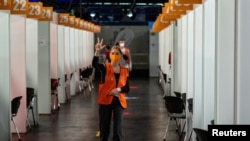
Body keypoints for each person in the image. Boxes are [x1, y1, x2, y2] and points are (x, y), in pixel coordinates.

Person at [92, 37, 130, 141]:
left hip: (119, 101)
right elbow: (94, 64)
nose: (114, 55)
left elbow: (127, 88)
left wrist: (118, 90)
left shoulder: (124, 71)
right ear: (109, 55)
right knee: (104, 128)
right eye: (112, 53)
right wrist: (97, 51)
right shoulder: (105, 68)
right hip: (105, 101)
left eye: (117, 53)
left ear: (121, 56)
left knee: (117, 128)